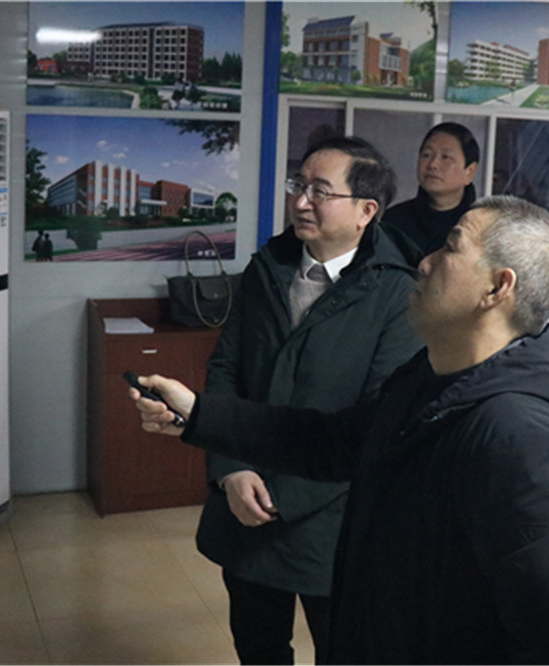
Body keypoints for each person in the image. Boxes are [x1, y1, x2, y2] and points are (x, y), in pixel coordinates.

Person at [130, 195, 549, 665]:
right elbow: (330, 442)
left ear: (497, 288)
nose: (425, 262)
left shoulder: (516, 438)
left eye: (450, 248)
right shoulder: (427, 380)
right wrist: (198, 414)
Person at [197, 136, 422, 665]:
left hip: (334, 518)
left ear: (366, 211)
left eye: (321, 191)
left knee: (343, 650)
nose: (301, 201)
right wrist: (232, 470)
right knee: (258, 647)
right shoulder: (268, 268)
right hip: (245, 501)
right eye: (298, 185)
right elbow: (226, 370)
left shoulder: (397, 293)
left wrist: (281, 497)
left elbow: (379, 419)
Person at [382, 122, 480, 263]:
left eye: (445, 157)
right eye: (426, 155)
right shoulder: (393, 221)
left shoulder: (481, 225)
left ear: (470, 171)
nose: (432, 164)